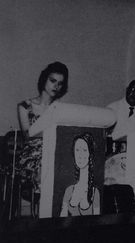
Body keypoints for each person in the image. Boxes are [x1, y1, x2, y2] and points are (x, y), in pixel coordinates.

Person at [17, 61, 69, 217]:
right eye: (52, 81)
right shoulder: (25, 106)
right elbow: (28, 136)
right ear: (44, 79)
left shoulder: (60, 109)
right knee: (47, 167)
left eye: (60, 83)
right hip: (32, 155)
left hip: (54, 151)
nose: (56, 86)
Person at [60, 132, 100, 217]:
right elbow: (61, 219)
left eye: (84, 150)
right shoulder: (69, 190)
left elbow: (97, 221)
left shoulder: (95, 192)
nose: (80, 155)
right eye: (77, 150)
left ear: (90, 154)